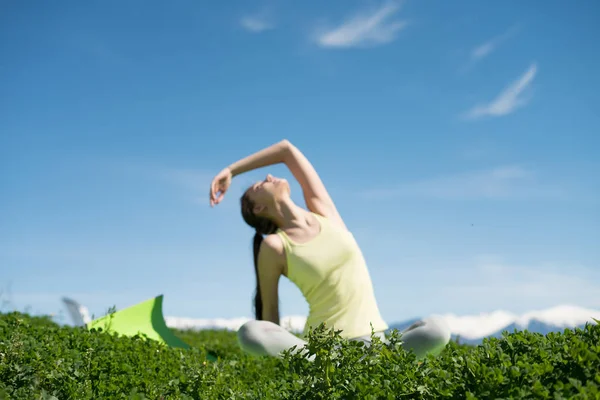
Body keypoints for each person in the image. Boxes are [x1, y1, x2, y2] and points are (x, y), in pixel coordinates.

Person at [209, 139, 451, 360]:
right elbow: (270, 313)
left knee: (437, 329)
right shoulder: (275, 246)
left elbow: (286, 150)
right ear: (258, 208)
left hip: (377, 344)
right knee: (251, 331)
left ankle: (367, 370)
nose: (269, 177)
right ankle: (331, 372)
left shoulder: (326, 214)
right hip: (323, 352)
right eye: (260, 185)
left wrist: (231, 170)